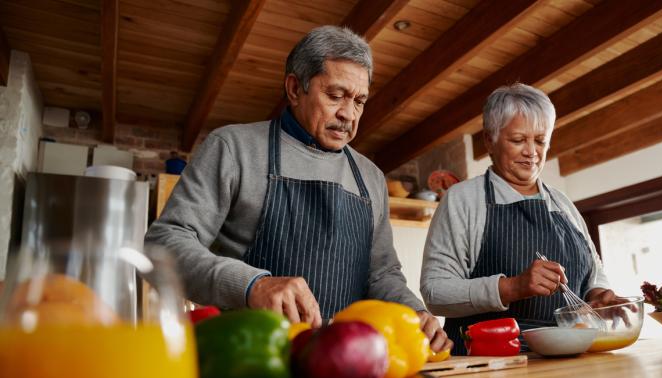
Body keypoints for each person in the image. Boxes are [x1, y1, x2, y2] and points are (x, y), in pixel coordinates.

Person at [146, 26, 451, 352]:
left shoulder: (371, 177)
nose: (348, 114)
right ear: (294, 88)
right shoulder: (234, 148)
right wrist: (253, 285)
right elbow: (163, 246)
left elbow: (382, 275)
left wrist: (414, 311)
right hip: (248, 360)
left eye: (359, 101)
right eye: (335, 96)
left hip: (345, 362)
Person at [420, 83, 620, 355]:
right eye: (518, 140)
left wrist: (599, 295)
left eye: (540, 140)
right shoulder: (463, 199)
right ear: (490, 140)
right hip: (491, 364)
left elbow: (595, 273)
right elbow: (435, 292)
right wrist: (512, 287)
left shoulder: (563, 204)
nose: (532, 152)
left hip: (571, 357)